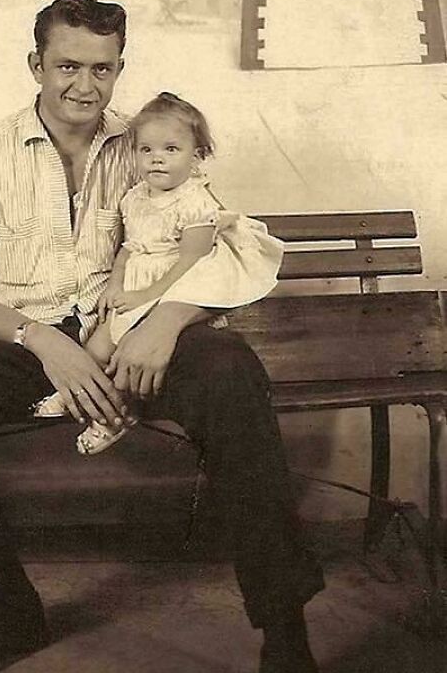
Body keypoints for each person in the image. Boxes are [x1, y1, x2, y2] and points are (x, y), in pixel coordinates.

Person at [0, 0, 325, 673]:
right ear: (36, 64)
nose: (84, 86)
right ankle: (10, 605)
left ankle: (284, 629)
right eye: (66, 66)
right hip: (31, 344)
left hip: (134, 334)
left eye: (102, 68)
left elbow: (217, 243)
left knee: (231, 371)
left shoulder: (149, 143)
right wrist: (44, 343)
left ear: (119, 69)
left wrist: (163, 326)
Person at [33, 91, 285, 458]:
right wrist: (117, 288)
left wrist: (147, 296)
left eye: (170, 149)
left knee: (125, 358)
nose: (156, 159)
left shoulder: (195, 202)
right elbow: (129, 248)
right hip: (137, 290)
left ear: (197, 156)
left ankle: (115, 416)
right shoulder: (135, 198)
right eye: (146, 150)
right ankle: (79, 397)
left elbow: (192, 261)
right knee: (95, 347)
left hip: (174, 292)